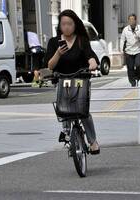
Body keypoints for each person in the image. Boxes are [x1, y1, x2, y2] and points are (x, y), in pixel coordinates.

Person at [44, 9, 100, 154]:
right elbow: (50, 65)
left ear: (75, 25)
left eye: (70, 23)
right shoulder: (54, 42)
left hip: (80, 80)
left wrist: (92, 63)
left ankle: (93, 141)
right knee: (63, 109)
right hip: (62, 79)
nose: (67, 27)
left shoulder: (82, 40)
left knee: (83, 111)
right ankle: (67, 133)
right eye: (64, 24)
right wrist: (58, 53)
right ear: (60, 26)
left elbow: (90, 55)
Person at [120, 14, 140, 87]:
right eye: (130, 20)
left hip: (138, 50)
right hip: (128, 51)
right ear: (128, 21)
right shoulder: (125, 29)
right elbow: (122, 40)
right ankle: (132, 81)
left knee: (139, 65)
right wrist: (121, 50)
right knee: (130, 67)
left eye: (133, 19)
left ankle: (138, 78)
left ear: (136, 20)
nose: (131, 21)